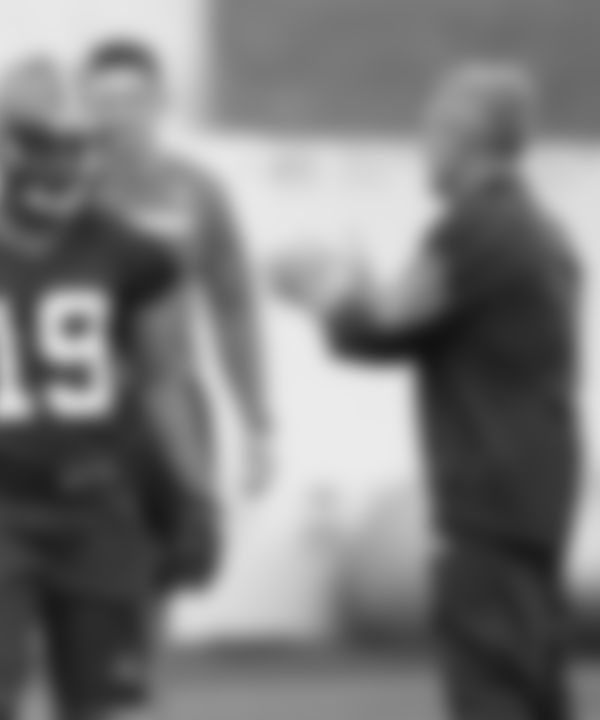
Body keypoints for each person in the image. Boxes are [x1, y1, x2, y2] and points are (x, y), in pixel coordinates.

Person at [0, 56, 204, 720]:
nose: (63, 165)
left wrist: (194, 490)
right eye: (45, 146)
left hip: (100, 505)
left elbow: (162, 380)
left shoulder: (131, 253)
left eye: (76, 147)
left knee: (102, 707)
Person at [272, 62, 582, 720]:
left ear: (463, 137)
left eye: (430, 131)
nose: (424, 149)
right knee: (536, 688)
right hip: (536, 495)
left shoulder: (475, 229)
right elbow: (415, 320)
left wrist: (319, 288)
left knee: (492, 690)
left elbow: (381, 326)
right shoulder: (540, 230)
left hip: (486, 503)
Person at [80, 37, 271, 500]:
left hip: (175, 402)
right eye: (104, 102)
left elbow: (234, 310)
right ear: (83, 107)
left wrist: (256, 423)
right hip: (82, 409)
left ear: (161, 101)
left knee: (189, 534)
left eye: (132, 100)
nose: (119, 116)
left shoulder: (196, 192)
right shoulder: (63, 196)